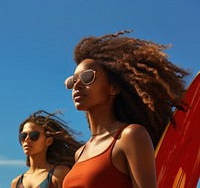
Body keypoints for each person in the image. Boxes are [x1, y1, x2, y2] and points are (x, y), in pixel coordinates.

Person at [63, 30, 190, 188]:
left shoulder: (130, 136)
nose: (77, 85)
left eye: (87, 77)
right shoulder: (79, 153)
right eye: (73, 80)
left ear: (114, 87)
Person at [10, 110, 82, 188]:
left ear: (48, 141)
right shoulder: (16, 182)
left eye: (34, 135)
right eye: (23, 136)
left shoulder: (59, 173)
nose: (27, 139)